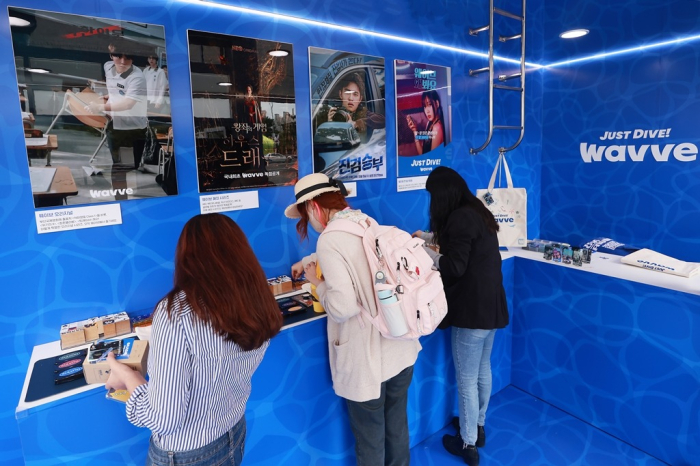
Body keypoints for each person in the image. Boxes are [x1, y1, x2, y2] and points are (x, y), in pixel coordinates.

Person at [105, 213, 283, 466]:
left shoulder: (176, 313)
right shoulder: (257, 300)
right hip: (233, 430)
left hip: (186, 453)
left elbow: (163, 418)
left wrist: (126, 375)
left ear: (187, 256)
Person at [285, 173, 420, 466]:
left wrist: (315, 284)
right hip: (400, 347)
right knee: (396, 428)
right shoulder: (367, 222)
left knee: (370, 439)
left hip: (368, 361)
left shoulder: (329, 241)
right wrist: (314, 261)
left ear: (313, 207)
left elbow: (343, 306)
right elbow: (360, 262)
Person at [413, 167, 509, 466]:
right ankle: (477, 427)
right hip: (491, 306)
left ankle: (467, 444)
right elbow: (458, 243)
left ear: (441, 194)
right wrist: (428, 237)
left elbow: (453, 265)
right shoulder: (475, 211)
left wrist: (422, 250)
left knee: (467, 379)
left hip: (471, 310)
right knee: (482, 371)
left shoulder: (459, 217)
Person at [88, 38, 149, 200]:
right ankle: (121, 201)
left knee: (131, 165)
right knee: (119, 167)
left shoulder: (137, 77)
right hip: (116, 125)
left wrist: (100, 107)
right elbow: (114, 91)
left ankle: (122, 192)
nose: (122, 61)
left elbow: (128, 103)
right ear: (111, 53)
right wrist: (103, 99)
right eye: (118, 56)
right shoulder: (108, 67)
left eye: (127, 57)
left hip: (134, 128)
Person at [326, 72, 385, 137]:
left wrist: (356, 124)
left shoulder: (363, 114)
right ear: (340, 94)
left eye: (355, 94)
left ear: (360, 99)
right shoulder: (333, 113)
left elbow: (383, 120)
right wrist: (329, 125)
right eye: (347, 92)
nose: (351, 98)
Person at [406, 90, 445, 154]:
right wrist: (415, 130)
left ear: (437, 104)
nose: (427, 111)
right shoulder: (429, 123)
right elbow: (423, 150)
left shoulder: (437, 128)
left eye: (429, 105)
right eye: (424, 106)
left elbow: (430, 160)